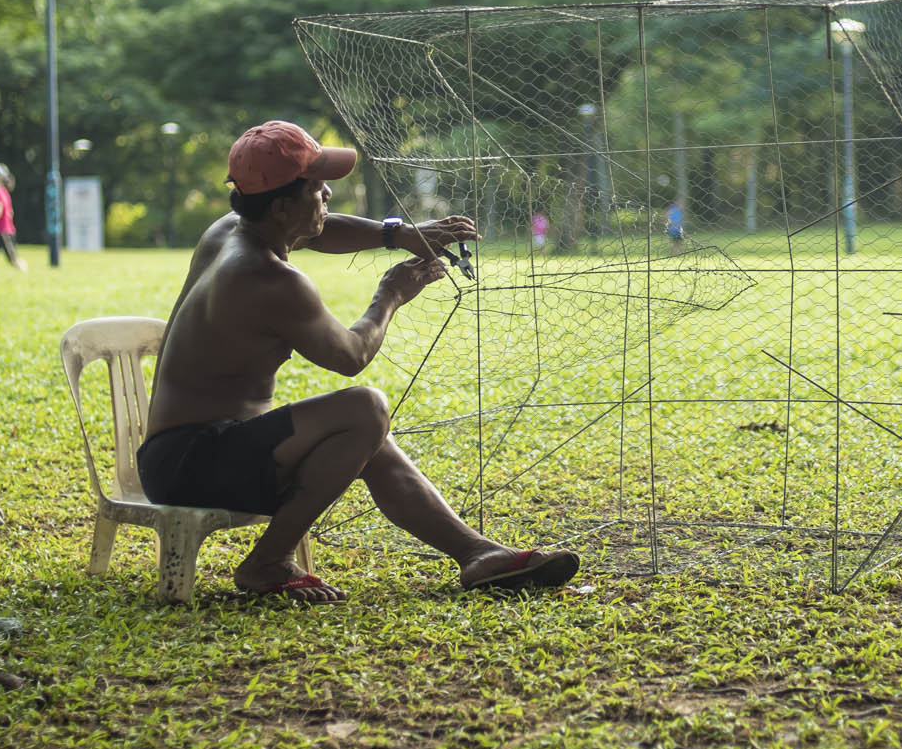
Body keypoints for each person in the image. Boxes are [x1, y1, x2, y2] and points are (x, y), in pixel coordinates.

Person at [137, 120, 581, 604]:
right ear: (283, 205)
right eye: (317, 187)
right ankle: (267, 562)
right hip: (194, 465)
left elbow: (320, 232)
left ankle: (475, 554)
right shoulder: (265, 278)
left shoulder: (230, 230)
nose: (328, 192)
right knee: (364, 410)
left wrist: (400, 234)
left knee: (370, 436)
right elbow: (350, 357)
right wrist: (390, 294)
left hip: (187, 453)